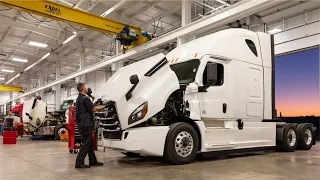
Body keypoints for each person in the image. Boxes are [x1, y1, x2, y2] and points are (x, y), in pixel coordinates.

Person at [75, 83, 105, 168]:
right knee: (86, 143)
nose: (88, 88)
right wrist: (105, 106)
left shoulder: (80, 98)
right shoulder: (84, 98)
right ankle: (79, 163)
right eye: (86, 86)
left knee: (90, 143)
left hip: (83, 123)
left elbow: (91, 106)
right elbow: (94, 109)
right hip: (86, 124)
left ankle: (92, 161)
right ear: (83, 88)